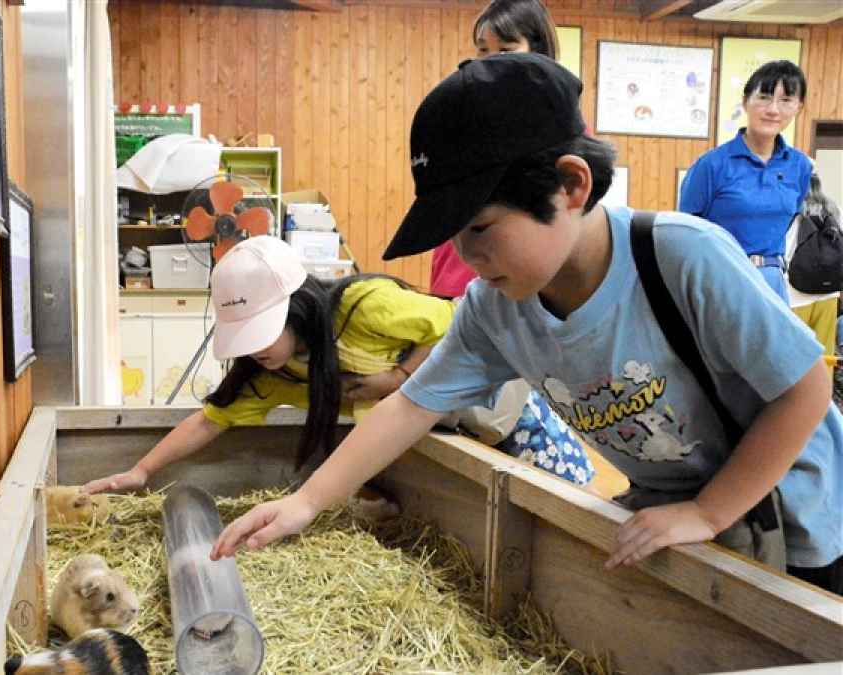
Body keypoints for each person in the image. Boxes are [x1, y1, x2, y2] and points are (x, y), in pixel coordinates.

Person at [211, 54, 843, 596]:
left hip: (793, 511)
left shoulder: (681, 256)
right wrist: (305, 502)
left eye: (480, 228)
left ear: (570, 185)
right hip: (676, 507)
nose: (466, 258)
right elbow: (411, 406)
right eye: (455, 236)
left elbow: (806, 388)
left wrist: (708, 510)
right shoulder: (495, 307)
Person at [85, 235, 595, 497]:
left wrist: (395, 379)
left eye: (262, 331)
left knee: (576, 503)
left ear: (296, 307)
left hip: (506, 418)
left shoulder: (363, 306)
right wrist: (141, 469)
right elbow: (208, 421)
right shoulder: (276, 371)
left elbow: (461, 323)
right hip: (444, 441)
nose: (255, 350)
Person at [430, 0, 559, 299]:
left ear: (536, 52)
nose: (490, 61)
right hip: (455, 277)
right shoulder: (461, 112)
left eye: (505, 49)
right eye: (483, 50)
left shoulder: (559, 121)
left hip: (518, 283)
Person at [680, 60, 813, 303]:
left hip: (772, 282)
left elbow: (791, 218)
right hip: (720, 278)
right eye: (763, 97)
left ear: (799, 107)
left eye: (786, 100)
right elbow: (684, 230)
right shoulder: (712, 165)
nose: (773, 109)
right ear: (745, 102)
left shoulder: (800, 166)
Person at [786, 172, 840, 378]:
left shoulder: (794, 212)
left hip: (796, 293)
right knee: (823, 354)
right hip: (828, 293)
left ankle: (795, 400)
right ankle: (823, 401)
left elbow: (787, 250)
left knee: (794, 352)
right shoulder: (834, 210)